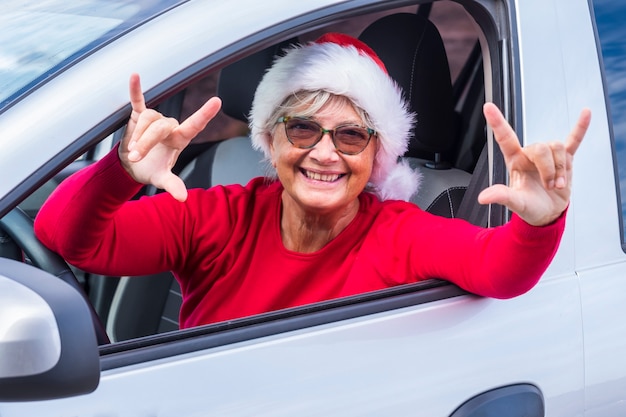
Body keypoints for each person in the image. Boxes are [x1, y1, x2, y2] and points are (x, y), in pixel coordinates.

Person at [34, 33, 591, 329]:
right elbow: (69, 238)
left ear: (378, 156)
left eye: (351, 136)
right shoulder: (218, 214)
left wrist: (541, 219)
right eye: (302, 129)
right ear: (271, 141)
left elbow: (499, 270)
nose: (324, 153)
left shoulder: (400, 233)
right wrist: (121, 172)